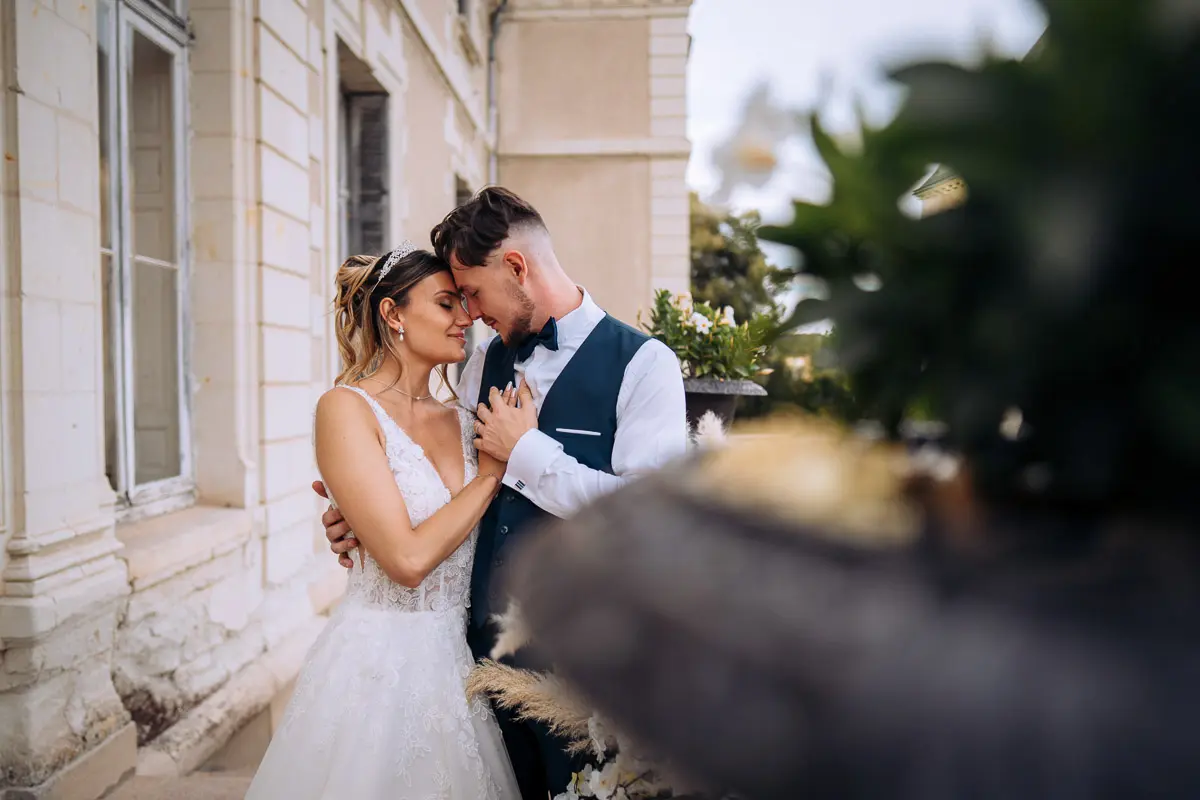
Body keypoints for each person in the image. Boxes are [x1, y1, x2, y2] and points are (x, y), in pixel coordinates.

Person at [318, 187, 689, 798]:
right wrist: (359, 514)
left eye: (471, 293)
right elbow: (440, 481)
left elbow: (645, 520)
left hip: (582, 675)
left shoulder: (645, 366)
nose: (469, 312)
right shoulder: (479, 360)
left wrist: (529, 453)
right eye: (454, 300)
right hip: (467, 666)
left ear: (515, 267)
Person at [247, 244, 520, 799]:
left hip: (458, 667)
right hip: (377, 668)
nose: (465, 318)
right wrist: (489, 475)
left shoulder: (467, 416)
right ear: (394, 314)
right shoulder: (345, 409)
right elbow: (407, 560)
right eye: (447, 304)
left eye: (465, 303)